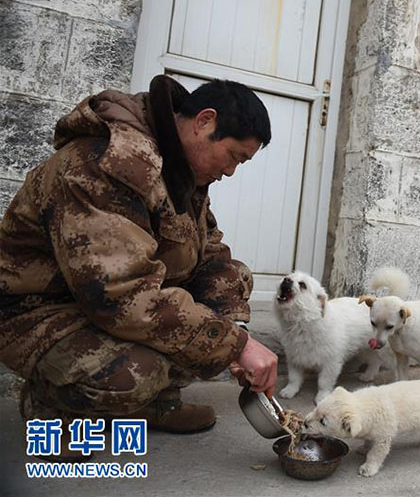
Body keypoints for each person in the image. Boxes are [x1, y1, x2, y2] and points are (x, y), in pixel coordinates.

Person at [0, 75, 280, 460]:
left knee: (230, 286)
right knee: (134, 373)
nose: (231, 171)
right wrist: (235, 345)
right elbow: (120, 296)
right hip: (38, 312)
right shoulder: (108, 162)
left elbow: (210, 255)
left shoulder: (180, 170)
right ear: (204, 121)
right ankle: (51, 408)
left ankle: (153, 404)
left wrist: (236, 329)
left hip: (100, 307)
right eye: (234, 156)